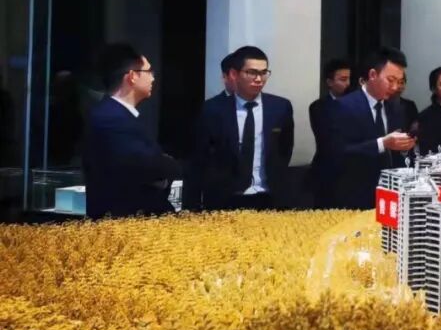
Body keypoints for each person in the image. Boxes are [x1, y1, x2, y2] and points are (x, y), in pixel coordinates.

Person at [184, 46, 295, 210]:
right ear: (234, 74)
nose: (259, 79)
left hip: (269, 196)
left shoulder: (280, 107)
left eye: (264, 73)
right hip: (225, 199)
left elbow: (285, 149)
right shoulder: (213, 109)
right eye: (252, 72)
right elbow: (200, 157)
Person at [83, 43, 181, 219]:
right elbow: (146, 166)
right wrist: (168, 165)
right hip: (122, 222)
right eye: (149, 71)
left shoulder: (120, 115)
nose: (153, 78)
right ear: (132, 76)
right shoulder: (109, 117)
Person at [321, 46, 416, 209]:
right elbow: (336, 152)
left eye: (399, 81)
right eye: (390, 80)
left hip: (390, 195)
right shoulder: (344, 106)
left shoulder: (396, 108)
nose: (395, 87)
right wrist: (382, 143)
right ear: (372, 75)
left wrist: (404, 146)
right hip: (353, 195)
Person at [307, 58, 351, 202]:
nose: (347, 83)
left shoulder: (357, 104)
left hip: (353, 172)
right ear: (330, 82)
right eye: (343, 79)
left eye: (349, 79)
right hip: (327, 170)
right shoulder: (318, 107)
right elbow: (327, 139)